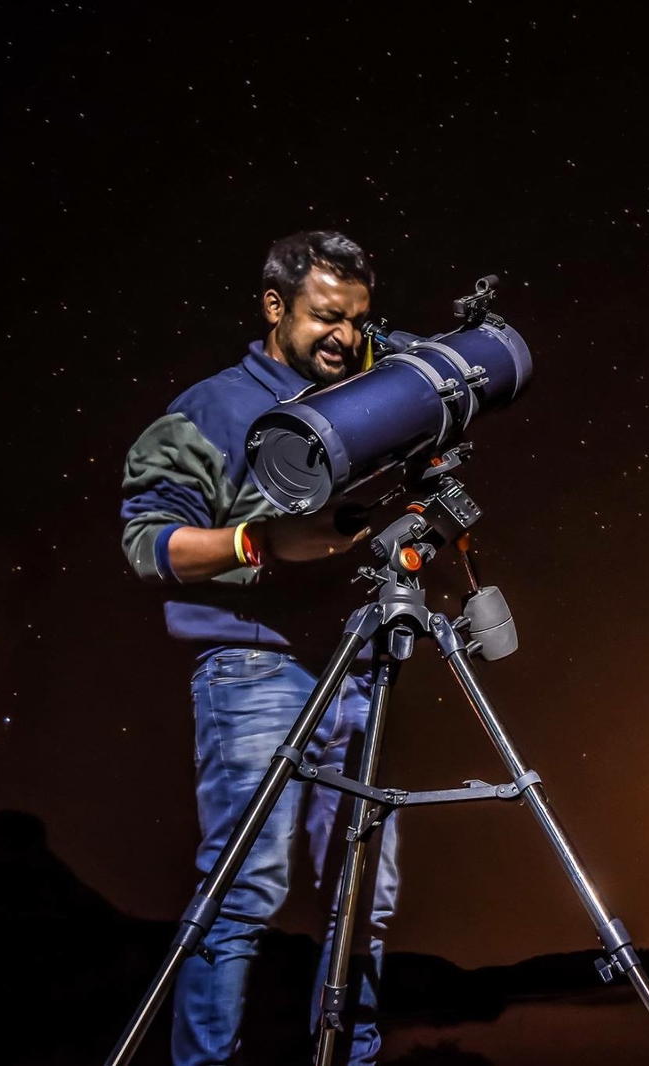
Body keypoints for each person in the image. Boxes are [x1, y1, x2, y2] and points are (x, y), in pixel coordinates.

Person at [120, 230, 398, 1065]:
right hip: (255, 668)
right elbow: (147, 543)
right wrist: (260, 542)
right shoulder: (211, 409)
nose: (345, 336)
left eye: (357, 320)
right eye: (325, 316)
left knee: (367, 898)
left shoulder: (373, 400)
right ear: (275, 307)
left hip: (358, 668)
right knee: (244, 891)